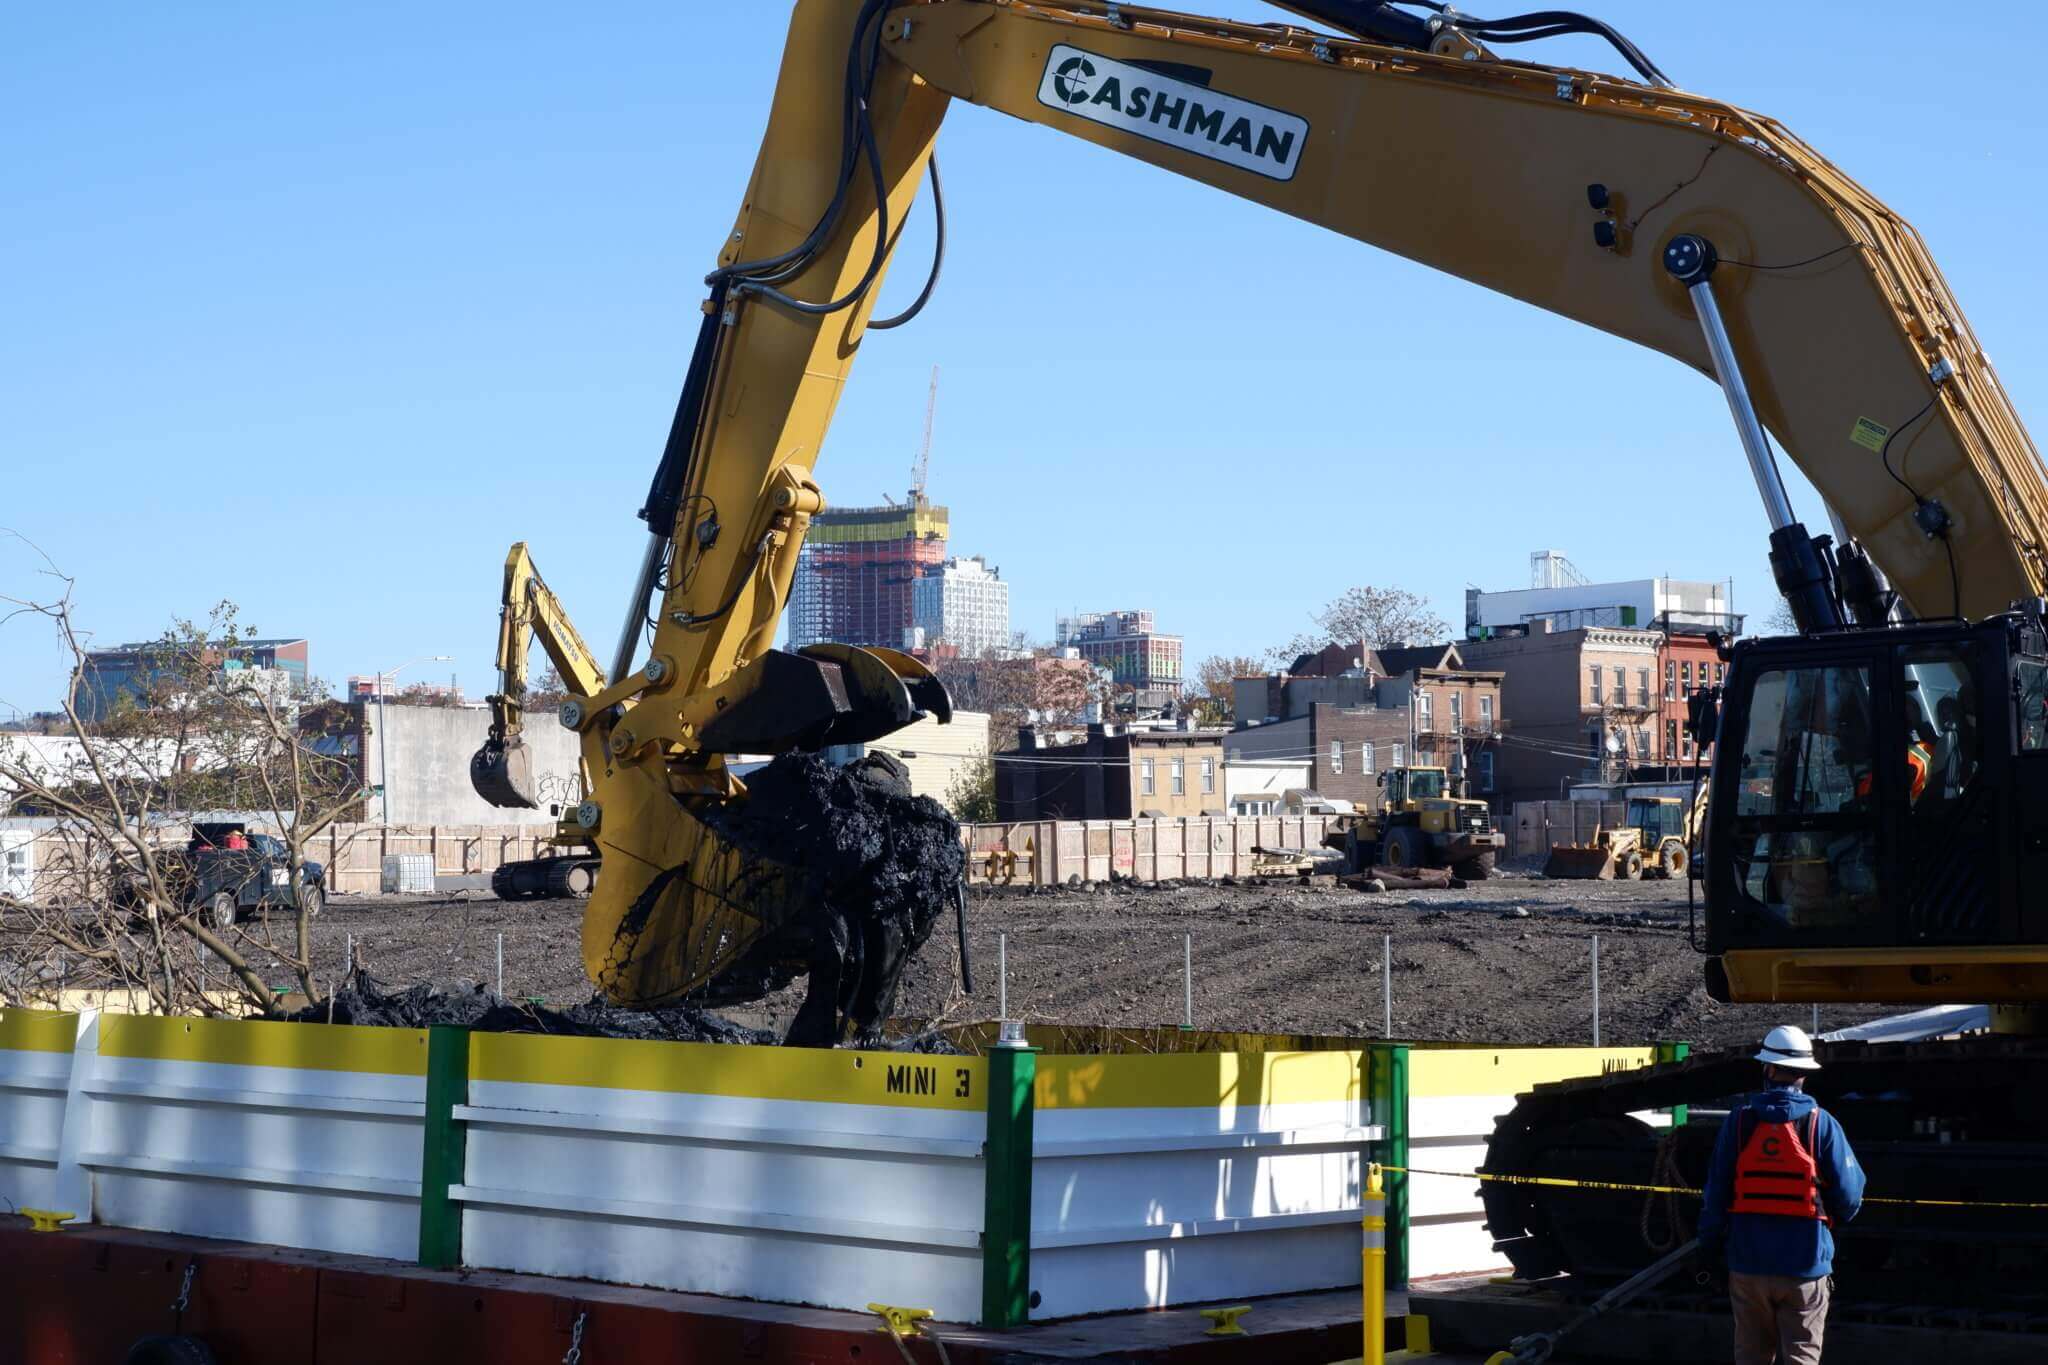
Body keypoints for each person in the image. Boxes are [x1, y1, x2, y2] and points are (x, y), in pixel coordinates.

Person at [1697, 1024, 1865, 1365]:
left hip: (1748, 1265)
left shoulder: (1739, 1122)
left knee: (1751, 1356)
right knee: (1802, 1356)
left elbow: (1716, 1193)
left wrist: (1708, 1248)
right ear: (1804, 1073)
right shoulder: (1823, 1124)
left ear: (1767, 1069)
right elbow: (1849, 1198)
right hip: (1804, 1266)